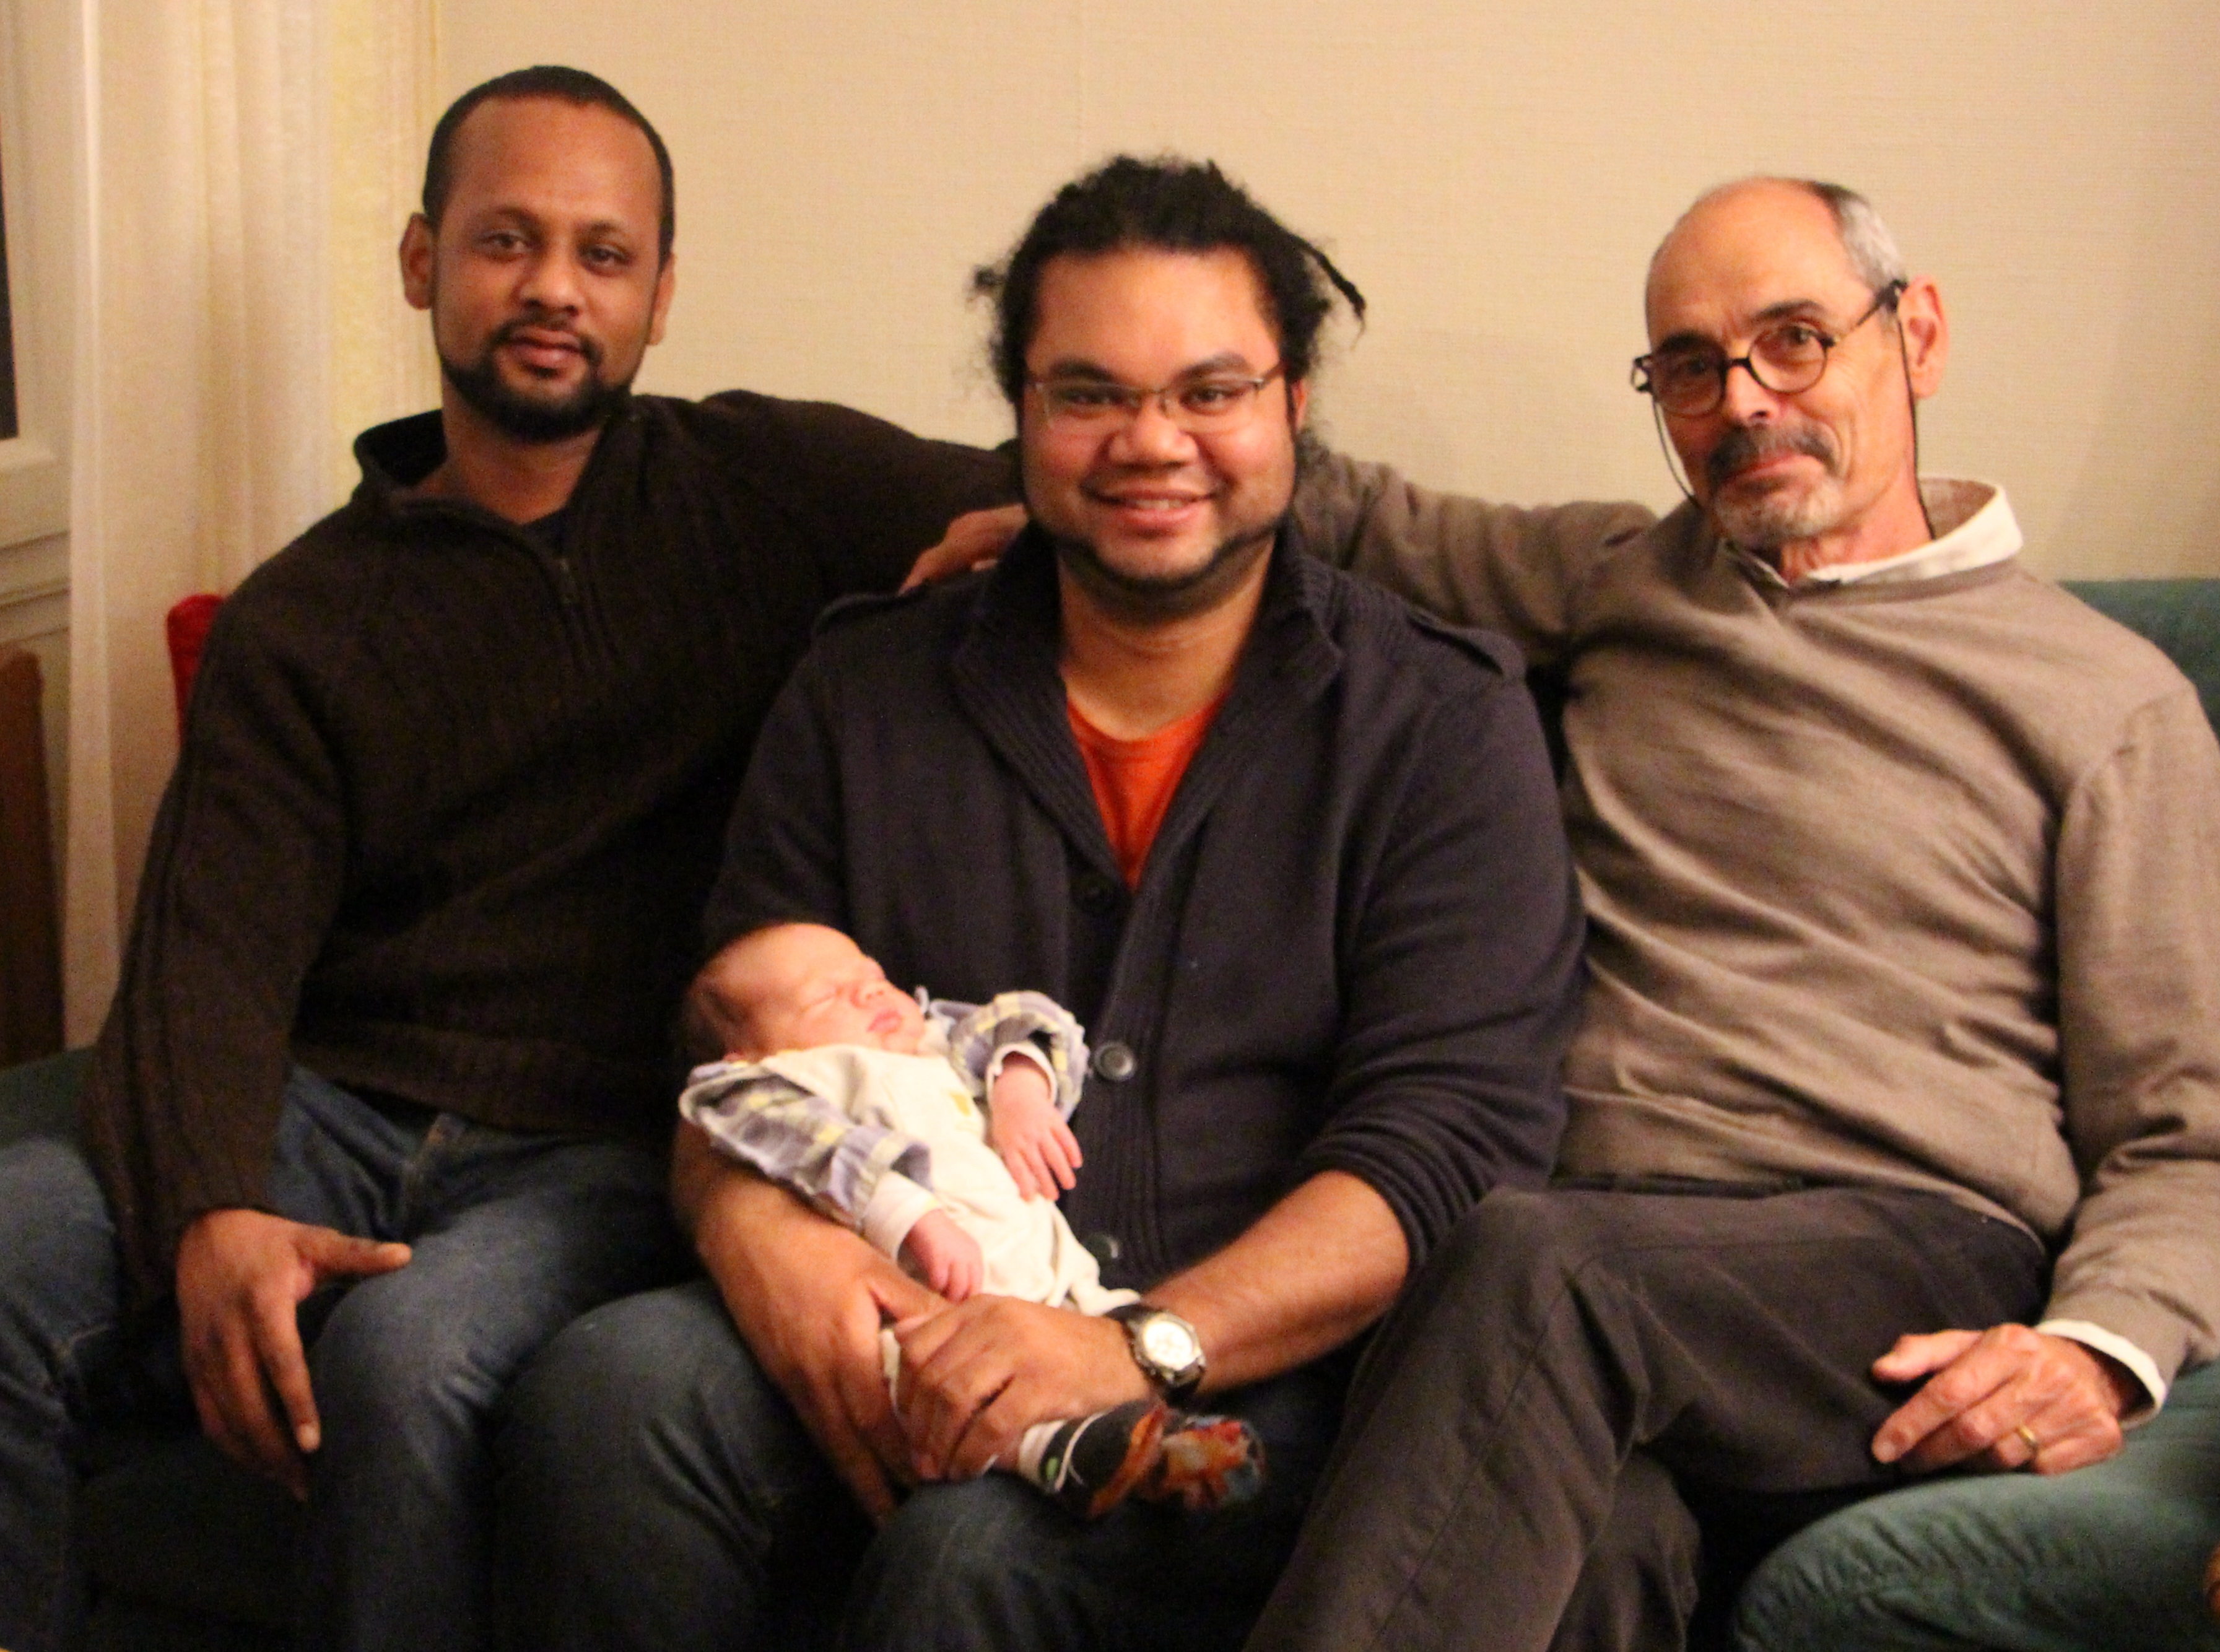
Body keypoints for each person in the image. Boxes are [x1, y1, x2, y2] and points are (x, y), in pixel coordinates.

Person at [490, 154, 1587, 1652]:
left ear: (1291, 403)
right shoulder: (862, 688)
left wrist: (1140, 1344)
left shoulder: (1439, 724)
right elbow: (733, 1049)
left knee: (979, 1556)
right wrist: (759, 1233)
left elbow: (1443, 1149)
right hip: (901, 1292)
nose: (1151, 442)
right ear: (1017, 413)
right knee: (603, 1397)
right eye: (1088, 394)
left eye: (1208, 391)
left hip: (1262, 1371)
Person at [0, 66, 1009, 1652]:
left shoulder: (763, 486)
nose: (553, 287)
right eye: (504, 240)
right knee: (9, 1249)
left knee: (404, 1356)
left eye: (603, 254)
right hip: (333, 1106)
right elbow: (208, 958)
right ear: (422, 263)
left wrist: (1006, 534)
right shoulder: (302, 616)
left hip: (606, 1135)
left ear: (660, 296)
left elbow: (1097, 468)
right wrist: (211, 1207)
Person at [1234, 176, 2220, 1650]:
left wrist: (2097, 1352)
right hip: (1590, 1267)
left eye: (1792, 339)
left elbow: (2184, 1137)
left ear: (1914, 335)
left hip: (1891, 1250)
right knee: (1600, 1534)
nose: (1739, 401)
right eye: (1687, 366)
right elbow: (1332, 505)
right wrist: (1031, 504)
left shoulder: (2102, 701)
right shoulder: (1620, 579)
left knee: (1535, 1267)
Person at [681, 921, 1264, 1517]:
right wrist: (907, 1213)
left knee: (1110, 1332)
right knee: (922, 1377)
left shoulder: (938, 1041)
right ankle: (1063, 1454)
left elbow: (1031, 1019)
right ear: (747, 1056)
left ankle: (1167, 1443)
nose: (869, 992)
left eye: (872, 976)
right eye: (825, 997)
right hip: (932, 1300)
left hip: (1052, 1270)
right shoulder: (789, 1084)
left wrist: (1020, 1090)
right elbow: (809, 1146)